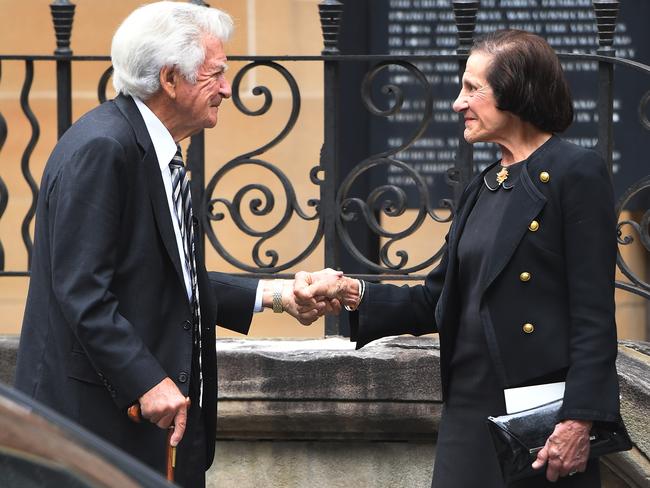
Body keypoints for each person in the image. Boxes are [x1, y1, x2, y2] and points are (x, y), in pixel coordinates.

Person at [14, 2, 332, 486]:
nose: (227, 88)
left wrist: (278, 295)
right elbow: (81, 291)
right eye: (216, 74)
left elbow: (168, 277)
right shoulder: (104, 148)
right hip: (93, 435)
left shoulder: (148, 146)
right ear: (169, 79)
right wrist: (145, 378)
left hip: (153, 433)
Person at [295, 30, 622, 487]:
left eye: (473, 89)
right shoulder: (482, 185)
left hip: (538, 423)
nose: (457, 102)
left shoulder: (575, 173)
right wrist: (351, 291)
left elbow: (593, 315)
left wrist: (579, 421)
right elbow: (436, 299)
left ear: (516, 92)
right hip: (467, 413)